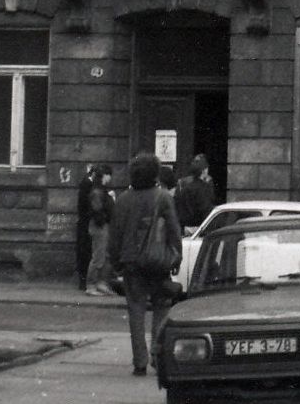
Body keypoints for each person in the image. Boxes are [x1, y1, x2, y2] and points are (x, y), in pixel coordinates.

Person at [108, 153, 183, 375]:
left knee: (136, 312)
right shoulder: (163, 197)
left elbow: (115, 236)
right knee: (161, 309)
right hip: (158, 262)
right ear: (155, 174)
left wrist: (115, 263)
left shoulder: (122, 200)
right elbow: (173, 230)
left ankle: (139, 362)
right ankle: (157, 356)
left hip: (132, 264)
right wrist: (176, 256)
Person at [84, 167, 115, 296]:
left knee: (104, 255)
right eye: (109, 176)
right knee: (98, 256)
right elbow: (98, 211)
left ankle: (100, 283)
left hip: (102, 225)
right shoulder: (98, 192)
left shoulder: (100, 190)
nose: (111, 179)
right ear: (105, 176)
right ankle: (91, 285)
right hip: (100, 226)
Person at [174, 154, 217, 230]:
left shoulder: (185, 187)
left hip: (185, 227)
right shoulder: (204, 188)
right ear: (204, 170)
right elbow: (206, 210)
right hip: (200, 228)